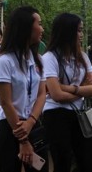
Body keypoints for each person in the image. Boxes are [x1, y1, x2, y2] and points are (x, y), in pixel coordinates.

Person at [0, 6, 48, 172]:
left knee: (40, 168)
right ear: (25, 28)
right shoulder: (4, 61)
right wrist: (23, 141)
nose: (42, 28)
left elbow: (41, 93)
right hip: (11, 128)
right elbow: (5, 102)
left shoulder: (37, 59)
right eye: (39, 24)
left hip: (33, 126)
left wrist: (31, 121)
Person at [42, 13, 92, 172]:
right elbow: (56, 95)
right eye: (78, 30)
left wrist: (68, 87)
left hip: (80, 113)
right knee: (63, 159)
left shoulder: (83, 57)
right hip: (56, 114)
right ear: (67, 32)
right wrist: (82, 89)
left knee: (86, 159)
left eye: (81, 30)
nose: (81, 34)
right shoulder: (50, 58)